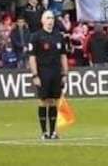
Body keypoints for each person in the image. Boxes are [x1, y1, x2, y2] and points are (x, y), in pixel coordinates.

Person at [28, 10, 69, 140]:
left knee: (53, 101)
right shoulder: (36, 37)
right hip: (43, 72)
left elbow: (63, 55)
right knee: (42, 100)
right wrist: (35, 75)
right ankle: (43, 132)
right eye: (47, 18)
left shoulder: (59, 36)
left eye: (52, 18)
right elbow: (32, 57)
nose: (50, 20)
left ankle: (53, 131)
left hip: (56, 72)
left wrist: (65, 73)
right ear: (42, 21)